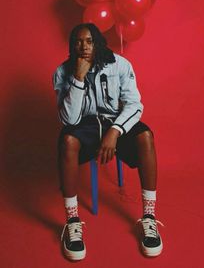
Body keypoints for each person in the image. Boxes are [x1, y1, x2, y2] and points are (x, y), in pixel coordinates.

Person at [53, 23, 163, 261]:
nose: (83, 47)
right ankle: (72, 222)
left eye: (89, 41)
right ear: (72, 46)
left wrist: (115, 131)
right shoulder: (63, 72)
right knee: (68, 141)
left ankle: (149, 217)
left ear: (98, 43)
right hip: (86, 126)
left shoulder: (120, 65)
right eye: (78, 42)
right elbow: (68, 120)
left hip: (116, 122)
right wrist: (78, 78)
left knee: (145, 136)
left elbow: (134, 104)